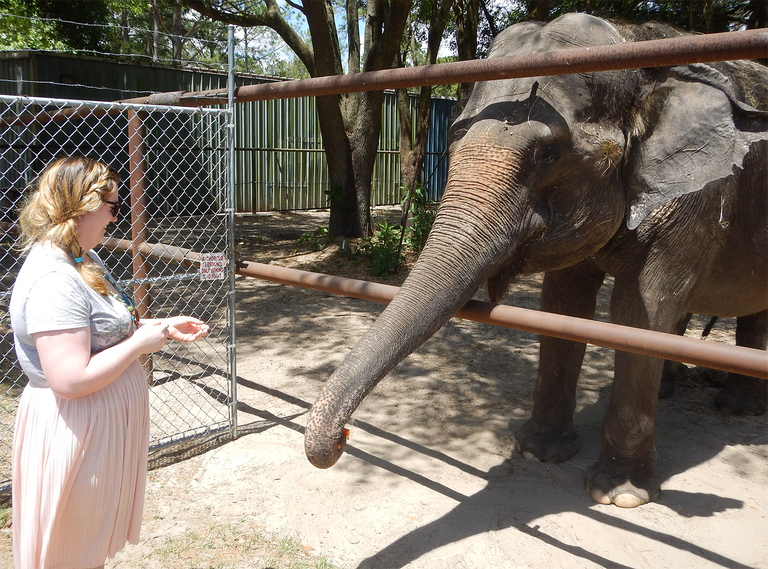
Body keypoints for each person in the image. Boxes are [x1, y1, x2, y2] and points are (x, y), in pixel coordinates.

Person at [9, 156, 209, 569]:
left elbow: (105, 330)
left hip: (96, 424)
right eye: (112, 208)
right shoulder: (54, 279)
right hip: (76, 427)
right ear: (82, 206)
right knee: (73, 549)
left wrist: (162, 325)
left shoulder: (82, 258)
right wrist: (139, 345)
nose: (115, 218)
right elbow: (69, 379)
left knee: (88, 544)